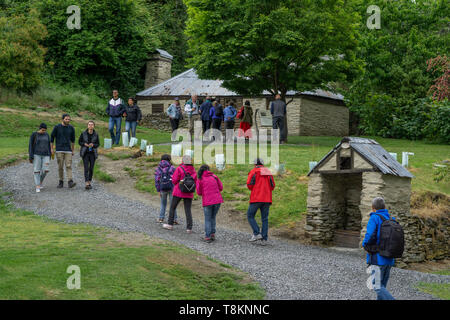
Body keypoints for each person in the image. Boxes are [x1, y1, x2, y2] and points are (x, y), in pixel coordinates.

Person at [362, 197, 396, 300]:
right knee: (382, 287)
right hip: (389, 259)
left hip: (378, 258)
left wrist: (364, 244)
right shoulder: (391, 219)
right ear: (384, 207)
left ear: (373, 208)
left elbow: (369, 235)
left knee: (376, 285)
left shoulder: (374, 218)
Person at [163, 155, 197, 233]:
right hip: (189, 192)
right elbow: (195, 181)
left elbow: (174, 180)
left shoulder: (179, 168)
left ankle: (170, 224)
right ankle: (189, 228)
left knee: (173, 207)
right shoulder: (193, 170)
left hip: (179, 191)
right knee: (188, 210)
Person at [246, 158, 275, 245]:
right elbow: (272, 186)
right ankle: (264, 239)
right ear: (262, 164)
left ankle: (256, 233)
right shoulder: (268, 172)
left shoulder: (254, 171)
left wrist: (256, 189)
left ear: (255, 164)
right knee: (264, 219)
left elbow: (249, 184)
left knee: (250, 215)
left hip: (256, 198)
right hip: (267, 199)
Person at [196, 164, 224, 243]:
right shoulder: (214, 177)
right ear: (208, 169)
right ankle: (212, 234)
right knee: (213, 217)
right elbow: (221, 188)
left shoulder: (200, 179)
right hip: (217, 200)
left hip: (207, 201)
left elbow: (199, 192)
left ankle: (207, 236)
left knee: (207, 219)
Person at [51, 114, 76, 189]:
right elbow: (52, 138)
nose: (68, 120)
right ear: (62, 119)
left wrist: (72, 150)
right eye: (66, 119)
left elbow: (73, 140)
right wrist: (52, 149)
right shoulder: (57, 127)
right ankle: (61, 181)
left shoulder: (71, 128)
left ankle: (70, 181)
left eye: (69, 119)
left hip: (68, 150)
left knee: (68, 166)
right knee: (60, 166)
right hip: (59, 150)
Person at [154, 154, 178, 224]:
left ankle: (161, 218)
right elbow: (176, 178)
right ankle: (174, 219)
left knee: (163, 204)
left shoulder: (158, 168)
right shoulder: (172, 168)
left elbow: (157, 180)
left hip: (162, 188)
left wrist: (158, 190)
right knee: (172, 204)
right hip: (171, 187)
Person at [28, 123, 51, 193]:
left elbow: (48, 145)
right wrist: (31, 156)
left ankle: (40, 181)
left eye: (45, 130)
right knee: (37, 170)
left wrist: (50, 154)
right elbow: (30, 145)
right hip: (36, 155)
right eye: (42, 130)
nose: (43, 132)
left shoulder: (47, 135)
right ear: (39, 128)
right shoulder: (34, 134)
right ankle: (37, 185)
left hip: (46, 154)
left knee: (46, 170)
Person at [78, 121, 100, 190]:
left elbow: (98, 144)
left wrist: (93, 145)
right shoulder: (83, 133)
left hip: (93, 153)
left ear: (94, 126)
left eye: (92, 125)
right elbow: (79, 142)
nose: (90, 126)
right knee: (86, 168)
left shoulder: (96, 134)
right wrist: (84, 144)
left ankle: (90, 181)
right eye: (89, 125)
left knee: (91, 168)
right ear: (87, 126)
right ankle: (86, 182)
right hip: (85, 153)